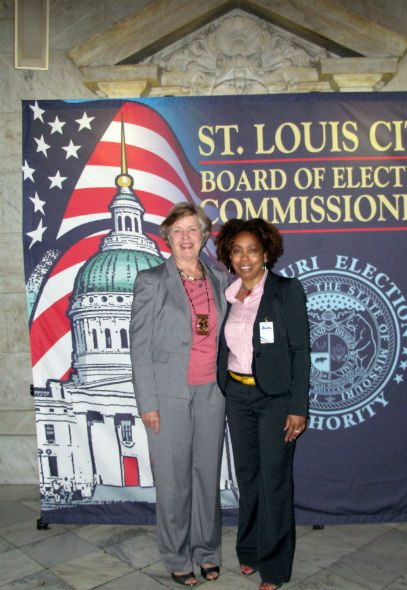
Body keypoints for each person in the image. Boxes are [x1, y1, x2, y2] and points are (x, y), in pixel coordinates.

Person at [130, 202, 229, 587]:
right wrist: (148, 403)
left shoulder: (221, 279)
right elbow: (138, 347)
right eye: (178, 231)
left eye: (193, 230)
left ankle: (207, 551)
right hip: (168, 396)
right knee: (174, 480)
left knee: (207, 477)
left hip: (212, 393)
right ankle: (176, 555)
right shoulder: (151, 280)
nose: (186, 237)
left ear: (204, 236)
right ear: (167, 238)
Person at [215, 218, 310, 590]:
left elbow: (300, 351)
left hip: (274, 399)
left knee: (274, 482)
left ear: (267, 253)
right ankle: (249, 550)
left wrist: (297, 406)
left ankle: (275, 567)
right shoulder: (229, 292)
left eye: (252, 249)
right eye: (237, 250)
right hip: (237, 396)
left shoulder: (286, 291)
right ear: (229, 256)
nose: (245, 257)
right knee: (248, 478)